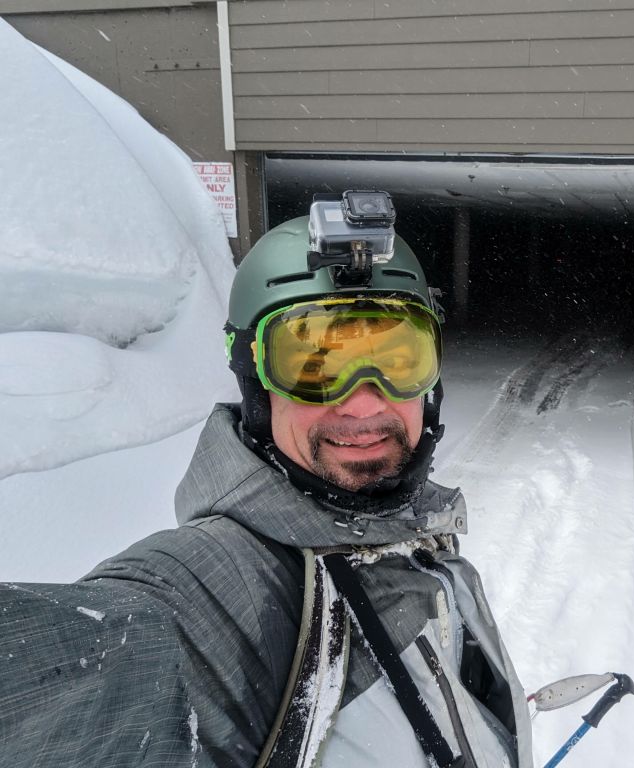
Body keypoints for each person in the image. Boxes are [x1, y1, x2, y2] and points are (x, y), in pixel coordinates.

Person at [0, 194, 532, 767]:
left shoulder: (415, 534)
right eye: (313, 365)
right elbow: (83, 671)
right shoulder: (214, 591)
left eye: (396, 357)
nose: (361, 402)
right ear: (254, 381)